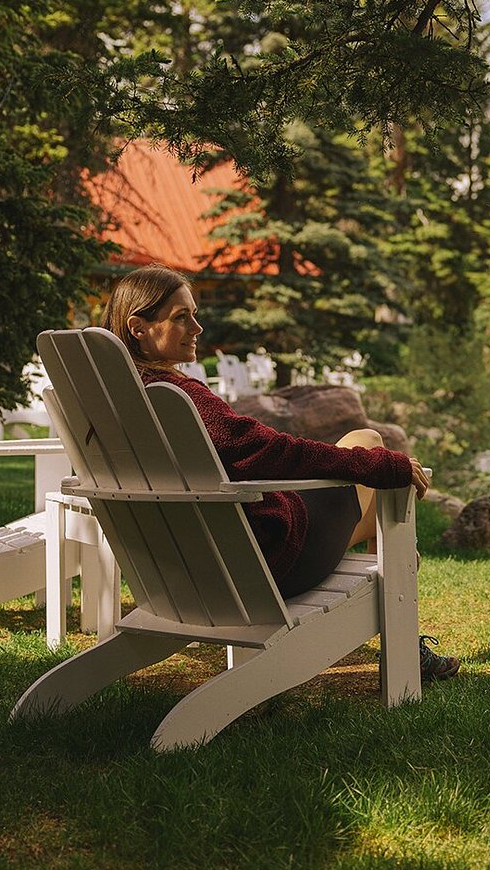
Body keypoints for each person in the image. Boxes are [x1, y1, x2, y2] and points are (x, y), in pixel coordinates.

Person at [99, 264, 459, 682]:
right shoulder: (178, 397)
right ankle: (406, 645)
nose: (197, 327)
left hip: (185, 572)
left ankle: (407, 636)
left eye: (195, 314)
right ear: (138, 328)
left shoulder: (114, 403)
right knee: (369, 445)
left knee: (368, 459)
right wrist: (380, 466)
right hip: (267, 564)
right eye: (182, 317)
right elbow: (267, 451)